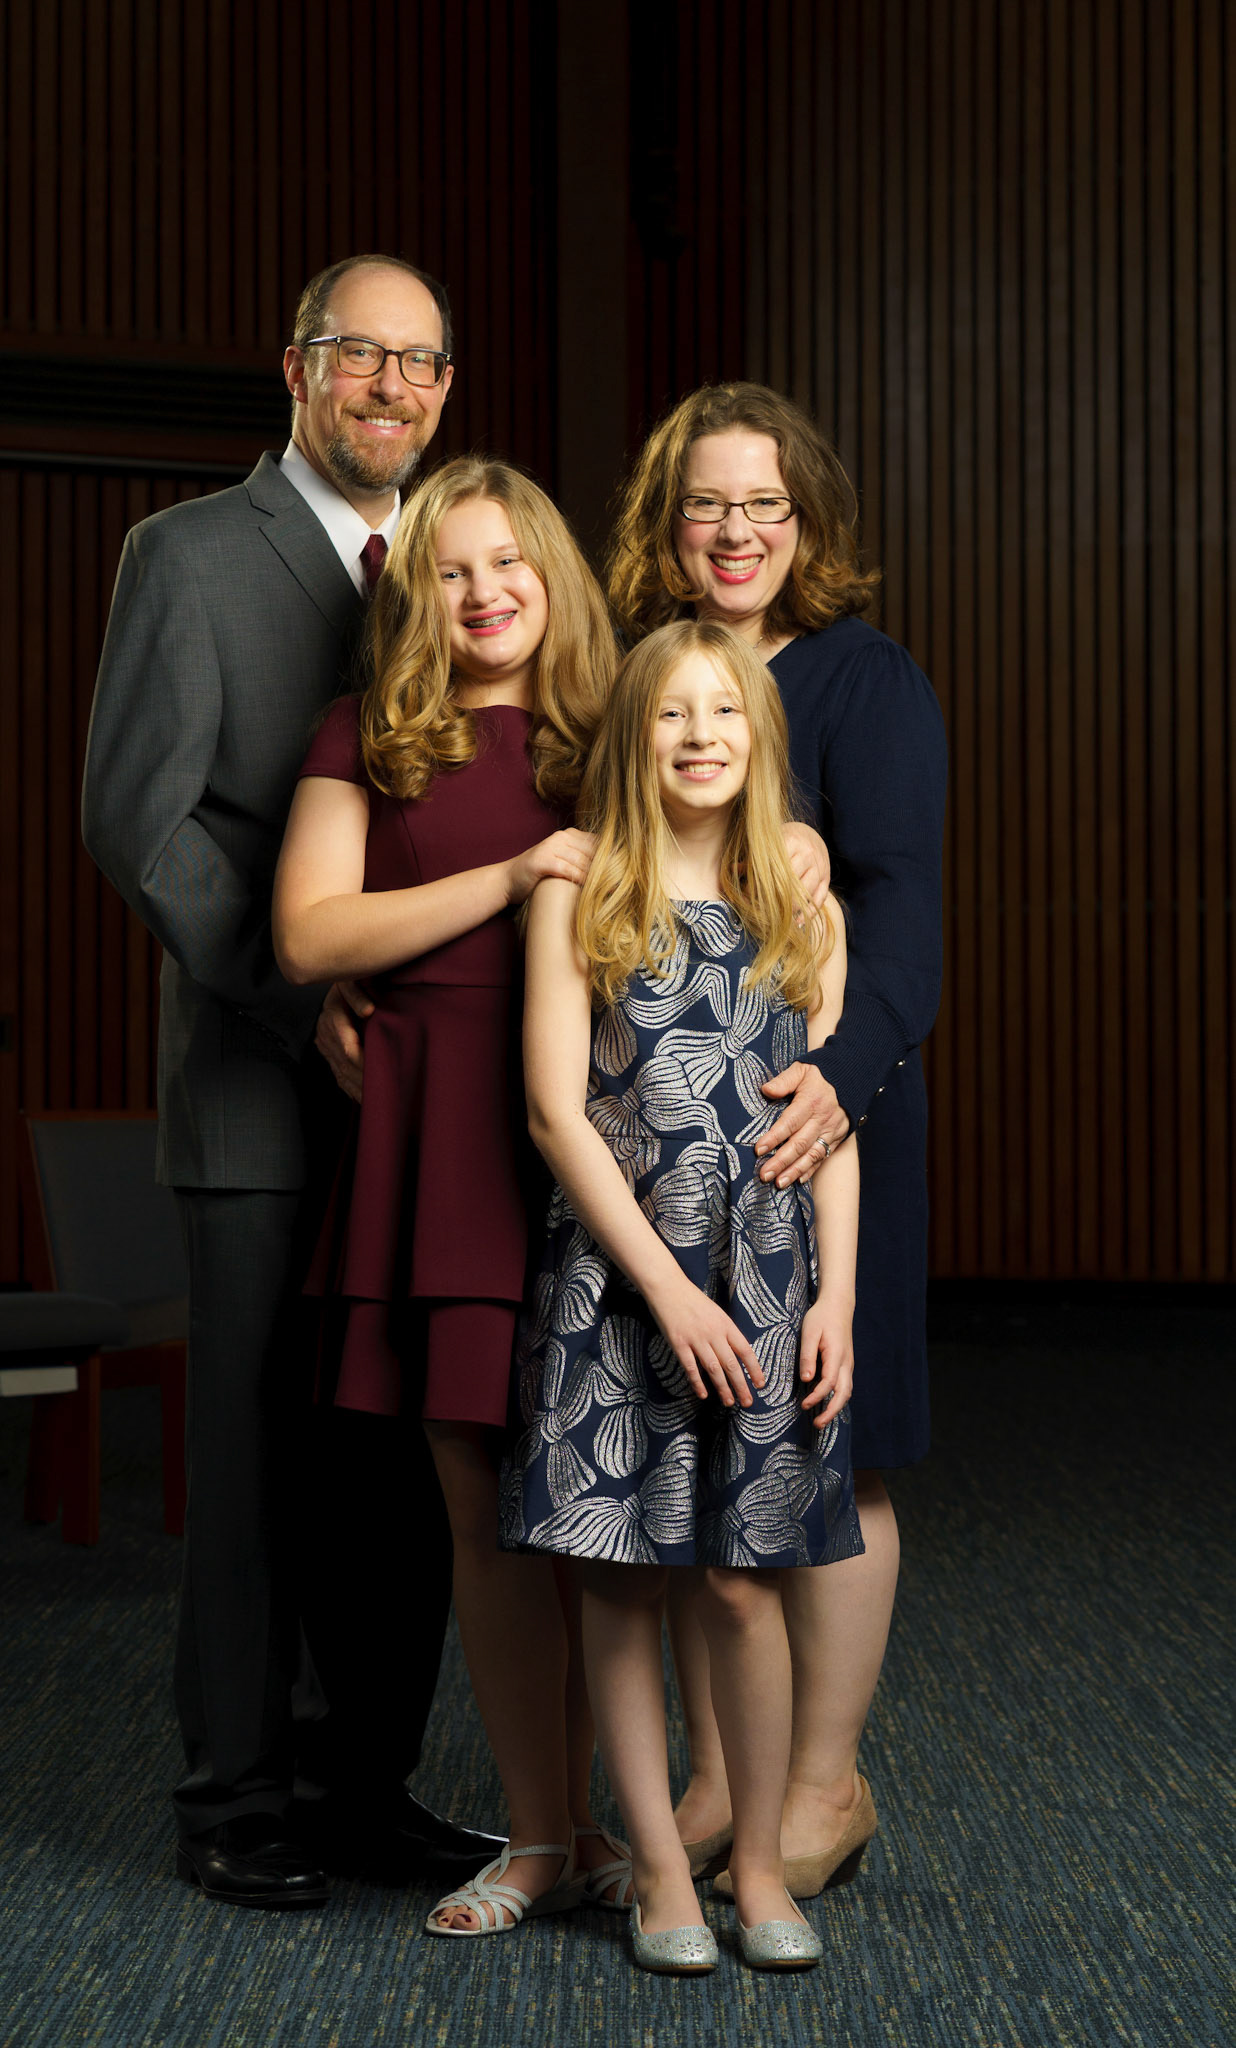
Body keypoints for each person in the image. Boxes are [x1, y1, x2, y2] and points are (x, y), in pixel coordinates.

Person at [82, 254, 500, 1907]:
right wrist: (289, 996)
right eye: (360, 358)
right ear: (296, 370)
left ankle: (368, 1781)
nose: (393, 388)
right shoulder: (186, 560)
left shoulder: (461, 565)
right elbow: (139, 822)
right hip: (267, 1100)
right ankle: (236, 1798)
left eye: (423, 363)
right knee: (258, 1466)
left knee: (401, 1465)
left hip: (434, 1110)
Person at [273, 457, 628, 1938]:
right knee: (482, 1518)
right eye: (454, 571)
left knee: (607, 1519)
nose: (484, 595)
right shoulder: (368, 734)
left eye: (510, 566)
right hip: (439, 1164)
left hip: (599, 1150)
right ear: (420, 592)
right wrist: (510, 875)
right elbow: (308, 932)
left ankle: (624, 1831)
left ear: (552, 574)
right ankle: (540, 1840)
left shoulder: (614, 733)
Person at [605, 384, 946, 1901]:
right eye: (705, 503)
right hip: (663, 1141)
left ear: (804, 523)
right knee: (691, 1456)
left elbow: (908, 914)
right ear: (666, 526)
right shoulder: (641, 676)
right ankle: (715, 1781)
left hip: (827, 1117)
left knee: (835, 1442)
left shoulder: (868, 683)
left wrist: (838, 1077)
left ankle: (822, 1788)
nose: (734, 531)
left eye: (764, 504)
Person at [503, 620, 862, 1974]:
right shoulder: (583, 888)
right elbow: (553, 1108)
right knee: (624, 1588)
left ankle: (757, 1862)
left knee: (742, 1588)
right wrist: (664, 1289)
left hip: (768, 1289)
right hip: (623, 1284)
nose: (702, 733)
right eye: (673, 715)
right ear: (634, 739)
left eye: (727, 711)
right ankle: (658, 1867)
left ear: (760, 740)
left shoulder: (800, 900)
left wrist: (827, 1302)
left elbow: (830, 1120)